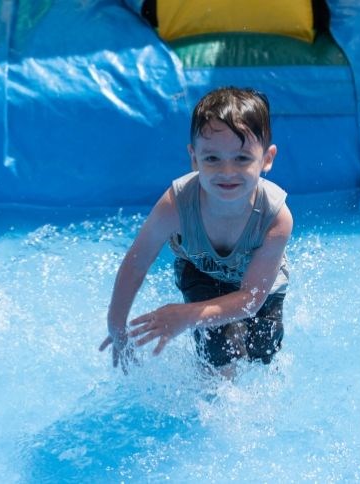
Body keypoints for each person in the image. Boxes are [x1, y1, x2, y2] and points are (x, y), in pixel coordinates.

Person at [99, 87, 293, 373]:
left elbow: (251, 299)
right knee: (219, 352)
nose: (226, 172)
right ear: (194, 158)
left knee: (262, 354)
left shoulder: (275, 217)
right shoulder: (176, 205)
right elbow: (137, 262)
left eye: (242, 158)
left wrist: (184, 315)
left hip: (259, 287)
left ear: (266, 158)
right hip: (200, 272)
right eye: (212, 158)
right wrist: (117, 328)